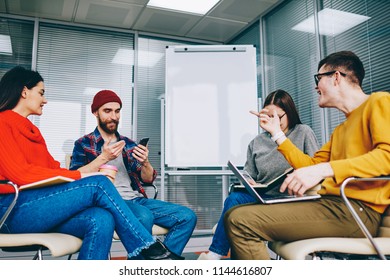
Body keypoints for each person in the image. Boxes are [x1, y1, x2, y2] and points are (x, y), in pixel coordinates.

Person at [0, 66, 183, 260]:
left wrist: (81, 175)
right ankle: (146, 248)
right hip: (13, 212)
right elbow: (21, 174)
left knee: (101, 219)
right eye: (41, 93)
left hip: (39, 207)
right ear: (24, 91)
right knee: (99, 182)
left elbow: (53, 170)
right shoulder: (3, 123)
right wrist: (84, 175)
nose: (44, 99)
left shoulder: (31, 131)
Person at [224, 51, 390, 259]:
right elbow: (309, 164)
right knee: (234, 214)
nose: (315, 86)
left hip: (356, 211)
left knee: (240, 221)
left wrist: (324, 169)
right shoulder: (341, 130)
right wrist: (277, 133)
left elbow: (387, 157)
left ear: (336, 77)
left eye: (318, 79)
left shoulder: (379, 101)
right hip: (332, 205)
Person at [69, 89, 197, 257]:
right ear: (95, 113)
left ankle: (159, 263)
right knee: (144, 216)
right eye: (107, 111)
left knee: (187, 217)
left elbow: (147, 179)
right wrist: (103, 158)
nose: (114, 116)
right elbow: (74, 177)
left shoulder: (128, 144)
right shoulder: (84, 144)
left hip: (136, 199)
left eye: (117, 111)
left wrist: (145, 162)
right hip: (108, 202)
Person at [198, 89, 319, 260]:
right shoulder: (257, 142)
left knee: (235, 218)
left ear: (289, 113)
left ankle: (217, 253)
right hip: (263, 198)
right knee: (234, 198)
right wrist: (250, 182)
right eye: (269, 116)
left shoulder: (303, 132)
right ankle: (215, 255)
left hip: (291, 199)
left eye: (278, 116)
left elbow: (316, 168)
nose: (273, 121)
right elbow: (250, 174)